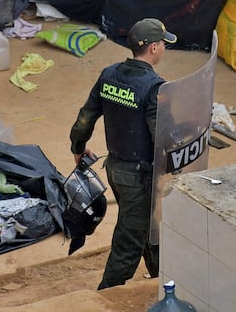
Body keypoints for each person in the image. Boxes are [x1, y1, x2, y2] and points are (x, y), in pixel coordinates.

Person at [69, 17, 177, 290]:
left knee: (148, 227)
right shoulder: (154, 86)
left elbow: (85, 117)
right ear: (153, 47)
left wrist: (78, 148)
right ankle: (105, 293)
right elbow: (161, 137)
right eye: (163, 44)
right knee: (129, 240)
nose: (164, 48)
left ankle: (162, 278)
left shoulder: (109, 74)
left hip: (116, 169)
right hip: (140, 178)